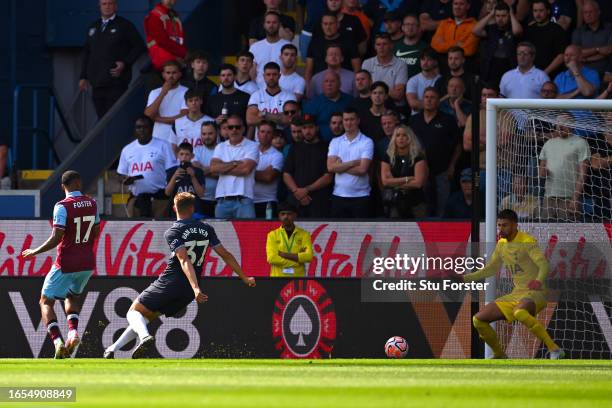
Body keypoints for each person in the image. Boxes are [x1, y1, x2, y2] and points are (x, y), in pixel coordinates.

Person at [103, 192, 256, 359]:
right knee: (145, 317)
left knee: (133, 311)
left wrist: (196, 288)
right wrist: (244, 277)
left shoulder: (173, 231)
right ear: (192, 208)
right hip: (187, 293)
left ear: (174, 207)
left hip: (172, 282)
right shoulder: (207, 229)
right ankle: (111, 349)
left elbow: (184, 260)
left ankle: (144, 337)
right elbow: (225, 254)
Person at [462, 209, 565, 359]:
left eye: (505, 225)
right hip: (517, 294)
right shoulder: (502, 244)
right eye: (499, 225)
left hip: (537, 292)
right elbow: (492, 268)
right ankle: (499, 354)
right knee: (478, 319)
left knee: (519, 312)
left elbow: (544, 265)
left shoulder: (527, 242)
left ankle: (555, 349)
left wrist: (538, 281)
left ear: (515, 225)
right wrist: (467, 278)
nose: (501, 229)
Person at [22, 170, 100, 359]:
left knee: (45, 301)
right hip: (87, 262)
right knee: (72, 296)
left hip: (66, 262)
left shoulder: (62, 206)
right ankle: (73, 333)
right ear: (79, 183)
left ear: (62, 186)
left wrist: (35, 251)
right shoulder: (92, 203)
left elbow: (57, 237)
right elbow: (96, 230)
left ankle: (58, 342)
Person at [79, 0, 145, 118]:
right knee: (102, 118)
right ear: (99, 6)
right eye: (104, 4)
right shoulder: (93, 26)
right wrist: (83, 76)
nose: (107, 7)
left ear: (116, 6)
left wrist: (125, 62)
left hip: (116, 83)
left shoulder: (125, 25)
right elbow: (87, 52)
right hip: (97, 83)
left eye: (110, 3)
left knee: (114, 118)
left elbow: (139, 46)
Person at [409, 87, 461, 217]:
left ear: (438, 101)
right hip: (419, 171)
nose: (429, 100)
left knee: (442, 208)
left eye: (432, 97)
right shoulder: (414, 120)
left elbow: (458, 145)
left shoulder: (448, 120)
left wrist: (452, 166)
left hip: (442, 171)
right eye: (426, 97)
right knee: (422, 207)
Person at [117, 116, 176, 218]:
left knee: (159, 231)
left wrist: (168, 193)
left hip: (159, 199)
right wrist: (125, 180)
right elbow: (121, 174)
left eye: (145, 127)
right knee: (137, 232)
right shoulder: (127, 149)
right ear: (135, 129)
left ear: (151, 128)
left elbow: (172, 171)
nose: (142, 130)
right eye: (138, 127)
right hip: (136, 199)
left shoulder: (163, 145)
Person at [538, 113, 591, 221]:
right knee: (545, 234)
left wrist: (575, 199)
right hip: (548, 197)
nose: (560, 126)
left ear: (573, 125)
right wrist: (544, 172)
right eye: (558, 123)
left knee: (569, 235)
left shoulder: (580, 142)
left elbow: (583, 174)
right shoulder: (548, 143)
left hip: (569, 198)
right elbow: (541, 171)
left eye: (565, 122)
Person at [283, 114, 333, 218]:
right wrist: (297, 192)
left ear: (317, 128)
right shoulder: (295, 148)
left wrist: (306, 190)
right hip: (296, 201)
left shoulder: (327, 148)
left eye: (310, 127)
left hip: (319, 202)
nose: (307, 131)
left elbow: (328, 177)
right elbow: (286, 174)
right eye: (304, 128)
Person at [327, 108, 374, 218]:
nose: (348, 123)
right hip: (338, 195)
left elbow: (362, 170)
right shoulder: (335, 142)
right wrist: (353, 163)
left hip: (361, 196)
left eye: (351, 119)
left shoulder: (367, 141)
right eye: (346, 120)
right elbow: (330, 167)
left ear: (358, 120)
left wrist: (340, 165)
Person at [210, 115, 260, 219]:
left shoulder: (252, 146)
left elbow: (245, 170)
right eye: (230, 127)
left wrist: (222, 167)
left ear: (243, 128)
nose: (234, 130)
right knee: (220, 235)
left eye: (237, 127)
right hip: (222, 200)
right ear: (226, 129)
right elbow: (213, 169)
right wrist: (234, 163)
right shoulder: (220, 147)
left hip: (244, 200)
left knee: (247, 235)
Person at [380, 125, 428, 218]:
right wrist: (408, 179)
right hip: (394, 201)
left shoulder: (418, 157)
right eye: (398, 135)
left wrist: (394, 182)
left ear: (409, 138)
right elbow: (385, 182)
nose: (401, 138)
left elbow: (418, 183)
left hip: (416, 201)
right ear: (394, 138)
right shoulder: (388, 156)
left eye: (404, 135)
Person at [472, 1, 522, 86]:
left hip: (509, 68)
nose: (500, 19)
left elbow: (517, 31)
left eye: (503, 16)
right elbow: (475, 31)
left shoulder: (513, 28)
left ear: (508, 16)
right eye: (498, 16)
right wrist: (491, 14)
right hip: (491, 68)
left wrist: (512, 14)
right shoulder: (492, 28)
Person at [305, 12, 361, 82]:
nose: (328, 27)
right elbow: (308, 70)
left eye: (331, 24)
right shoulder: (314, 43)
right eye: (325, 24)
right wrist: (308, 89)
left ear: (338, 25)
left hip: (344, 82)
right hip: (320, 83)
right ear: (321, 25)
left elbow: (357, 68)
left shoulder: (349, 42)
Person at [144, 60, 188, 145]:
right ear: (163, 75)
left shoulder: (186, 91)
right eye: (168, 73)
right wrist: (163, 93)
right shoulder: (155, 92)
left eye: (174, 73)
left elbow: (183, 117)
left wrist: (157, 119)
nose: (171, 76)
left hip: (179, 138)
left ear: (180, 74)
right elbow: (148, 115)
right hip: (158, 137)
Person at [266, 201, 314, 277]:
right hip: (277, 278)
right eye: (283, 214)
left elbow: (309, 256)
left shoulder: (304, 234)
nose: (286, 217)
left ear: (295, 216)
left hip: (298, 279)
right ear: (279, 216)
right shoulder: (272, 235)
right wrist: (297, 260)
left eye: (289, 214)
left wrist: (283, 254)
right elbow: (272, 258)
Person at [303, 70, 354, 142]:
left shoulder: (350, 101)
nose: (329, 84)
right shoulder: (313, 104)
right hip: (321, 146)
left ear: (340, 84)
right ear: (322, 85)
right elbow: (307, 128)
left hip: (347, 143)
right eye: (326, 81)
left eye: (332, 81)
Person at [246, 62, 297, 134]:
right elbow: (250, 120)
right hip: (260, 141)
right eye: (268, 74)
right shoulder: (256, 95)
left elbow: (289, 119)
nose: (271, 77)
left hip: (282, 139)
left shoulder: (289, 96)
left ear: (279, 76)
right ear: (264, 76)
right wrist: (279, 117)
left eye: (274, 74)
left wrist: (265, 114)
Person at [362, 33, 408, 108]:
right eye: (378, 44)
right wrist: (387, 90)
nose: (381, 47)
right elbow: (363, 89)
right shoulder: (367, 63)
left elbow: (398, 95)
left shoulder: (401, 65)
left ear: (391, 45)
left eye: (385, 44)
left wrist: (373, 86)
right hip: (371, 106)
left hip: (394, 107)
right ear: (375, 47)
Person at [523, 0, 567, 77]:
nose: (538, 14)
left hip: (553, 75)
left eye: (541, 10)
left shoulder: (557, 30)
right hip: (531, 74)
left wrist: (544, 73)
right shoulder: (529, 30)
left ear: (548, 11)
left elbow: (561, 56)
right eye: (535, 11)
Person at [250, 11, 292, 88]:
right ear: (264, 25)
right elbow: (252, 73)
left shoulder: (288, 46)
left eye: (274, 22)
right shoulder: (255, 47)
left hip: (282, 91)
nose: (271, 25)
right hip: (260, 91)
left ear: (279, 25)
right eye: (268, 22)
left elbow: (291, 71)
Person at [572, 0, 612, 79]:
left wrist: (585, 58)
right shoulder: (578, 31)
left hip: (606, 72)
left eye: (590, 12)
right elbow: (576, 53)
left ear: (598, 12)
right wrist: (598, 49)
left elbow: (609, 50)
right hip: (584, 73)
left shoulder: (610, 28)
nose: (588, 15)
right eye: (585, 13)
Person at [144, 0, 186, 72]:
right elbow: (162, 40)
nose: (170, 1)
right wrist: (183, 53)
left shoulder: (173, 15)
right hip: (163, 61)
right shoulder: (155, 15)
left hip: (175, 59)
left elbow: (179, 38)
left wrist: (181, 55)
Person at [165, 142, 206, 216]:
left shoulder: (198, 171)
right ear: (177, 155)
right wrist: (174, 177)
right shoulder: (171, 171)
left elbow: (201, 194)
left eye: (187, 154)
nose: (184, 157)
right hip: (176, 211)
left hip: (194, 210)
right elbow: (167, 193)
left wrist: (193, 177)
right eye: (181, 154)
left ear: (192, 156)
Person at [253, 122, 284, 218]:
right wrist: (261, 173)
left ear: (273, 135)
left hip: (268, 201)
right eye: (262, 132)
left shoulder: (277, 155)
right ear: (257, 134)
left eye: (268, 132)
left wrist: (246, 171)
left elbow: (268, 177)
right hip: (248, 201)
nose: (265, 135)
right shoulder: (249, 150)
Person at [193, 121, 219, 217]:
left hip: (219, 199)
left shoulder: (224, 149)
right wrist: (216, 170)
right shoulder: (196, 150)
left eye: (210, 133)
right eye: (204, 134)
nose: (207, 137)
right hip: (200, 199)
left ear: (217, 133)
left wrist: (203, 170)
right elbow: (196, 172)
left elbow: (226, 174)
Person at [406, 48, 443, 115]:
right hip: (417, 118)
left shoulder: (441, 80)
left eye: (429, 59)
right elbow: (413, 104)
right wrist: (434, 104)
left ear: (435, 62)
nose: (425, 63)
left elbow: (443, 103)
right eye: (423, 59)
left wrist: (421, 104)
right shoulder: (413, 80)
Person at [394, 14, 428, 80]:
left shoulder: (425, 48)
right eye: (407, 24)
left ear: (419, 28)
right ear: (402, 27)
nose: (410, 27)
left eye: (413, 25)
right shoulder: (394, 47)